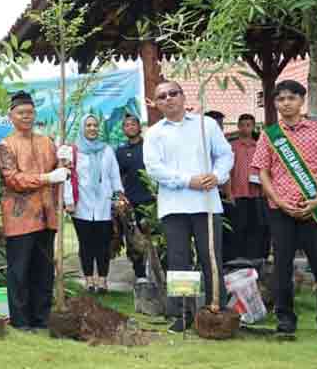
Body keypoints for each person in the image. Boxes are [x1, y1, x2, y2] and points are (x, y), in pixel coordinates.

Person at [251, 81, 317, 337]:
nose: (286, 103)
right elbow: (263, 172)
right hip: (281, 210)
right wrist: (279, 201)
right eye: (280, 99)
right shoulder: (270, 135)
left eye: (291, 98)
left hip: (314, 207)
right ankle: (285, 320)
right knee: (282, 266)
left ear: (302, 100)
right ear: (275, 104)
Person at [143, 81, 233, 333]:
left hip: (207, 203)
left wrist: (217, 175)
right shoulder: (154, 133)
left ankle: (219, 309)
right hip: (174, 205)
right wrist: (187, 180)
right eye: (162, 96)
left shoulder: (207, 125)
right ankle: (182, 314)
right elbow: (154, 168)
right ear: (157, 104)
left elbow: (225, 155)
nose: (169, 99)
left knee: (211, 256)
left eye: (173, 93)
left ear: (183, 97)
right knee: (179, 260)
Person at [0, 91, 75, 333]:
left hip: (47, 214)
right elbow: (13, 180)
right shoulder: (5, 146)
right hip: (19, 217)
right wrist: (46, 177)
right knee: (19, 270)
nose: (26, 116)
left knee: (43, 269)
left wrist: (64, 162)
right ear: (11, 116)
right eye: (21, 113)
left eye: (30, 112)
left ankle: (41, 318)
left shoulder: (47, 142)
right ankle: (20, 320)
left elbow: (60, 173)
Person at [67, 115, 124, 294]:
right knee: (85, 245)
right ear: (82, 128)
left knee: (102, 245)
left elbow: (114, 175)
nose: (92, 128)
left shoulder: (107, 150)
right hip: (82, 206)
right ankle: (89, 280)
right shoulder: (73, 151)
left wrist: (118, 196)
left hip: (104, 206)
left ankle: (103, 280)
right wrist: (68, 201)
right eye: (88, 125)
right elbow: (68, 178)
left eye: (95, 125)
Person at [114, 114, 153, 279]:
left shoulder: (150, 147)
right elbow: (118, 178)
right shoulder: (121, 151)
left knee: (154, 239)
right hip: (131, 202)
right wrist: (120, 197)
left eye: (133, 124)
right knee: (134, 240)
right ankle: (140, 275)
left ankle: (158, 272)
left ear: (139, 127)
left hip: (152, 202)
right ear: (123, 130)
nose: (130, 127)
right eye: (126, 125)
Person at [228, 113, 267, 262]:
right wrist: (229, 192)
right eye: (243, 125)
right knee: (239, 225)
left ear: (253, 127)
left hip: (257, 192)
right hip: (237, 192)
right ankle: (238, 256)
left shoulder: (259, 147)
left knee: (256, 225)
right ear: (238, 126)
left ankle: (255, 256)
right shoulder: (232, 147)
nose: (245, 128)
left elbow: (264, 169)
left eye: (249, 125)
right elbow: (228, 170)